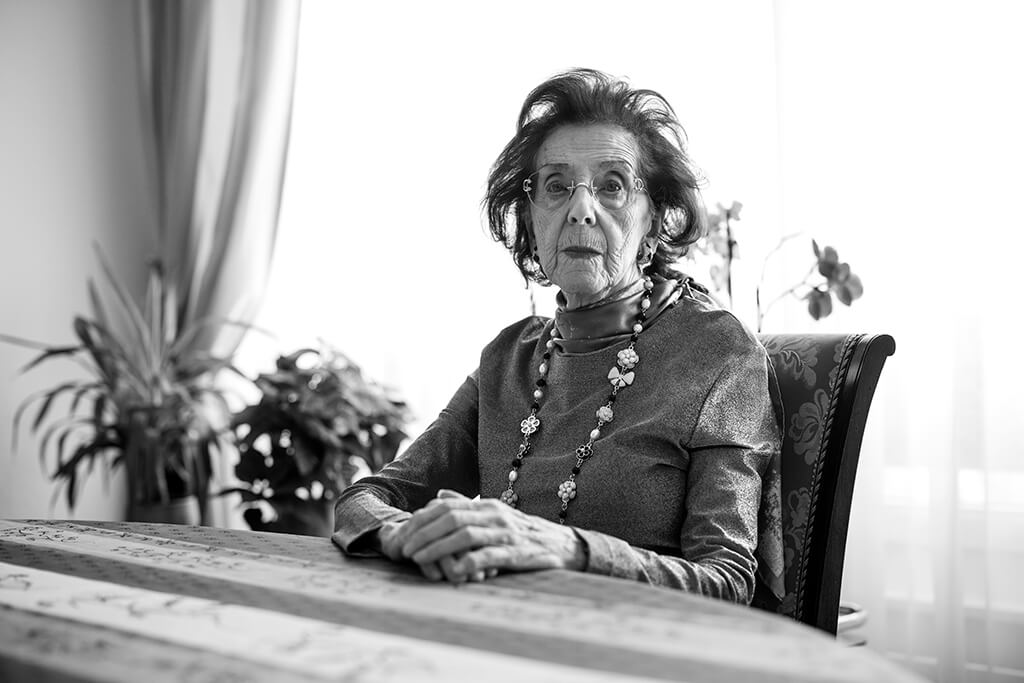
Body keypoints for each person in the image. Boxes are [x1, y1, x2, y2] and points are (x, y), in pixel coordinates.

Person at [332, 68, 785, 606]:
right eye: (556, 186)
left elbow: (726, 580)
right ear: (531, 216)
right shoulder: (508, 357)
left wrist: (568, 549)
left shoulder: (716, 352)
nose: (581, 208)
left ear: (655, 219)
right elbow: (369, 499)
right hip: (498, 633)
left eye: (612, 186)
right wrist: (409, 536)